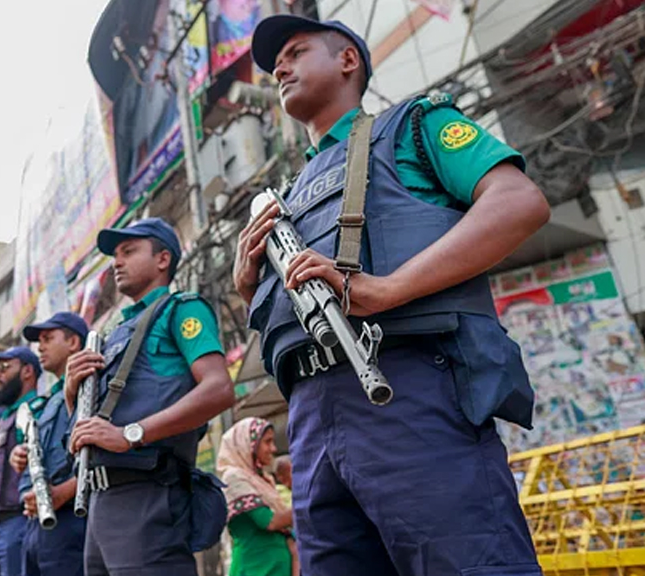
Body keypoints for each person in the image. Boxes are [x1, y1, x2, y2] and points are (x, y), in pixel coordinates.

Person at [234, 15, 550, 576]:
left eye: (296, 51)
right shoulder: (286, 197)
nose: (278, 68)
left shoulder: (413, 127)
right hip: (309, 419)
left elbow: (518, 203)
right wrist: (248, 282)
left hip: (406, 386)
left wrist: (385, 290)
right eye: (275, 63)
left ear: (347, 60)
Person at [66, 217, 235, 576]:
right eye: (115, 255)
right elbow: (90, 429)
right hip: (100, 501)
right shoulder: (113, 332)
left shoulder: (182, 309)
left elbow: (219, 388)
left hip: (148, 493)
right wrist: (71, 393)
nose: (117, 262)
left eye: (128, 251)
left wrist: (131, 434)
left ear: (162, 260)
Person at [8, 312, 90, 576]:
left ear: (73, 342)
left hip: (73, 520)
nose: (40, 347)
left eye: (48, 338)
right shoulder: (47, 402)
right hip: (36, 527)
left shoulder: (91, 386)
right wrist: (20, 459)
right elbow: (34, 462)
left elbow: (103, 453)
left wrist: (66, 491)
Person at [0, 346, 45, 576]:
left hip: (19, 521)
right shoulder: (6, 416)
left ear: (27, 371)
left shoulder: (32, 410)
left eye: (5, 368)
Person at [218, 417, 296, 576]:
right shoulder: (234, 478)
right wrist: (310, 506)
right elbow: (270, 521)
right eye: (267, 442)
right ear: (248, 443)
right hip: (256, 568)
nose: (273, 448)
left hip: (274, 568)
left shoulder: (263, 480)